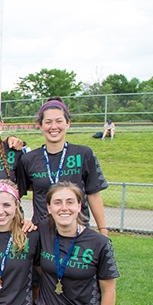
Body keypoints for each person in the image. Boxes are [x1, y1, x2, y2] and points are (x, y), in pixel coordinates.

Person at [17, 98, 109, 236]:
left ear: (68, 123)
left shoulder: (83, 154)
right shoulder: (28, 159)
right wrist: (22, 221)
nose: (54, 126)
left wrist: (103, 230)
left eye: (59, 121)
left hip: (77, 232)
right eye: (48, 122)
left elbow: (93, 194)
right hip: (42, 234)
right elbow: (17, 194)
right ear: (40, 126)